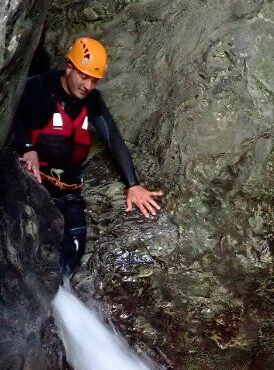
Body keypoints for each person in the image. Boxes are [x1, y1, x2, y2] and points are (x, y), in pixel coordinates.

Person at [12, 36, 163, 280]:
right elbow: (11, 119)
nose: (88, 85)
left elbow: (113, 139)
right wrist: (26, 147)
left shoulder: (92, 101)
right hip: (39, 184)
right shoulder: (39, 87)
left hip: (70, 188)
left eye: (94, 80)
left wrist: (133, 185)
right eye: (84, 76)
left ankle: (61, 294)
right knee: (44, 244)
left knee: (75, 244)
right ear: (69, 67)